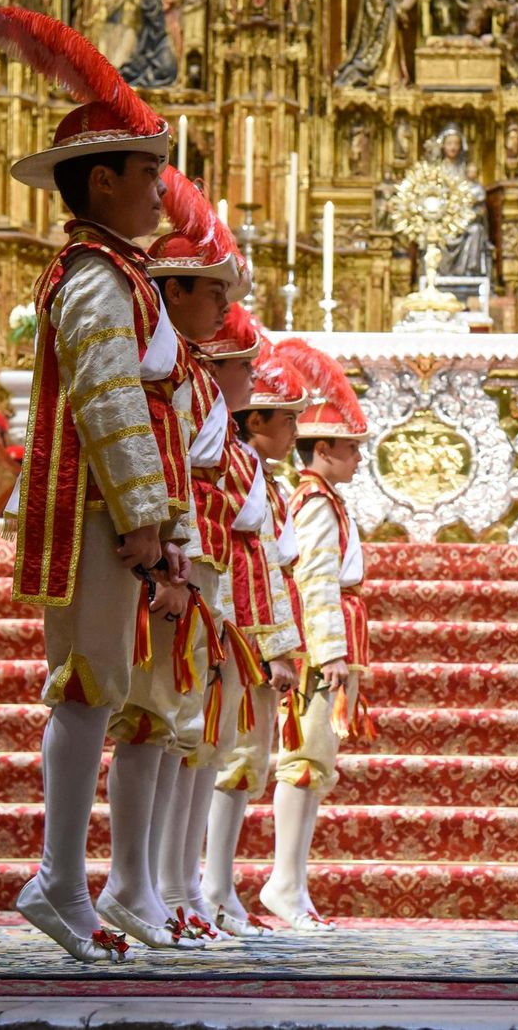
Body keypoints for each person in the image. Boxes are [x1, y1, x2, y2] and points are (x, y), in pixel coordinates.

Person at [0, 5, 186, 963]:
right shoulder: (99, 277)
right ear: (101, 180)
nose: (162, 189)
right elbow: (110, 402)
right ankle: (61, 879)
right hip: (103, 513)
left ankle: (68, 879)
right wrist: (145, 519)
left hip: (117, 512)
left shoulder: (112, 272)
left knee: (95, 691)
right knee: (86, 687)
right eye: (149, 172)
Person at [95, 171, 252, 949]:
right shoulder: (167, 369)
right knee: (148, 715)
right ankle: (138, 882)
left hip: (195, 568)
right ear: (176, 287)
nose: (226, 310)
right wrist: (173, 560)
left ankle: (163, 883)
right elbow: (168, 467)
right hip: (169, 562)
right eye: (212, 291)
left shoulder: (186, 371)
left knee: (177, 724)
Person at [256, 338, 376, 930]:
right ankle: (283, 881)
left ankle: (293, 883)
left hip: (324, 645)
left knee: (315, 764)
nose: (358, 459)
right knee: (303, 760)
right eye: (350, 449)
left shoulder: (326, 498)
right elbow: (315, 580)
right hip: (314, 648)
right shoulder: (317, 503)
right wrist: (330, 652)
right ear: (322, 449)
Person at [202, 332, 312, 935]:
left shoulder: (263, 476)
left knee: (245, 762)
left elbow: (273, 565)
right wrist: (271, 646)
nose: (296, 433)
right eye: (287, 420)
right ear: (255, 419)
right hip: (241, 628)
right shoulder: (240, 470)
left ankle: (218, 887)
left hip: (258, 629)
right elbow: (252, 562)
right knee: (228, 758)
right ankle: (208, 889)